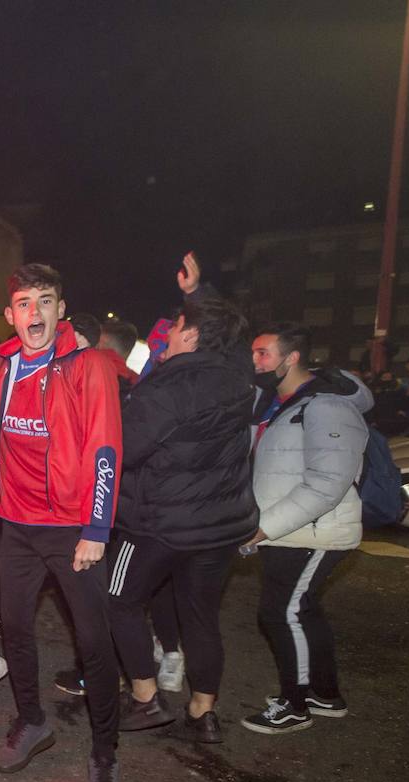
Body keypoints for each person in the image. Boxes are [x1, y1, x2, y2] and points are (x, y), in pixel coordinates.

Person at [0, 263, 124, 782]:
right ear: (11, 314)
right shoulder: (0, 364)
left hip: (72, 529)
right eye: (23, 302)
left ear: (61, 310)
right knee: (14, 629)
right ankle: (32, 720)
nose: (34, 312)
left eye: (45, 301)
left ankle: (105, 756)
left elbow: (106, 449)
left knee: (93, 640)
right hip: (15, 525)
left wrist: (95, 528)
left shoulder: (89, 366)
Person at [106, 265, 258, 745]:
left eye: (175, 326)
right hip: (218, 529)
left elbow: (125, 449)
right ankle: (202, 713)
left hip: (158, 524)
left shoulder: (168, 386)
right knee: (201, 615)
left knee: (117, 601)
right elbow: (231, 339)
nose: (166, 335)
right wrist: (199, 292)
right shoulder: (237, 380)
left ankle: (146, 697)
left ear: (190, 334)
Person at [242, 323, 371, 735]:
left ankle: (294, 704)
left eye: (263, 353)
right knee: (304, 612)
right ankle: (324, 694)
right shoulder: (283, 405)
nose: (255, 361)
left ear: (291, 357)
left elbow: (327, 483)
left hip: (312, 533)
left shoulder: (327, 407)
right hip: (294, 533)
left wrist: (264, 528)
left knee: (282, 613)